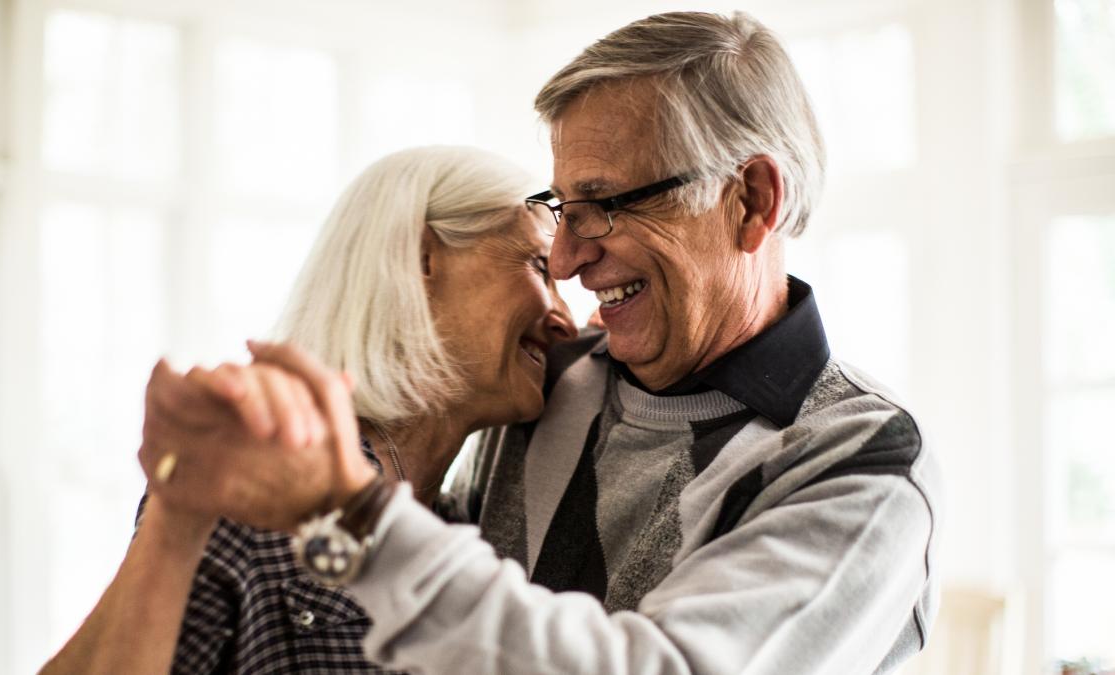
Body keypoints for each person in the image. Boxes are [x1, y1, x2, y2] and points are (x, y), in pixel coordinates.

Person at [141, 10, 943, 674]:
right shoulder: (556, 384)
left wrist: (349, 513)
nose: (564, 261)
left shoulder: (860, 461)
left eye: (604, 204)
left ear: (752, 200)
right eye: (561, 209)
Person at [39, 145, 577, 674]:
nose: (566, 321)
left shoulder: (463, 530)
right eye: (539, 267)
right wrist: (177, 515)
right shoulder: (260, 486)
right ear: (421, 259)